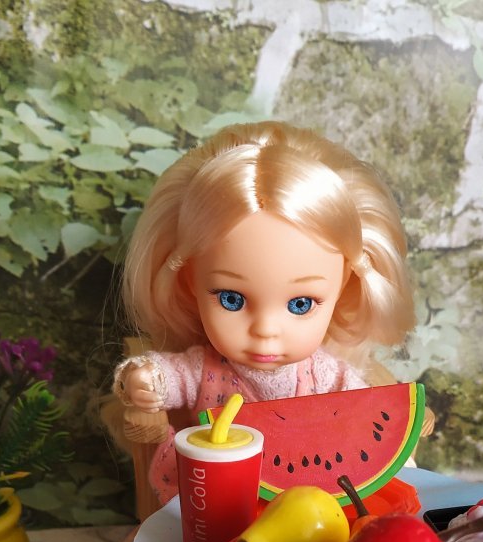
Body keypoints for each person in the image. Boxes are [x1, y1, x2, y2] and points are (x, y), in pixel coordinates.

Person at [112, 120, 415, 504]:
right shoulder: (204, 370)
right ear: (189, 282)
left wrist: (400, 429)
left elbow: (362, 409)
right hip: (217, 500)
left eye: (301, 304)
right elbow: (170, 377)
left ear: (342, 287)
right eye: (231, 299)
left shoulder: (325, 374)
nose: (266, 330)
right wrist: (145, 380)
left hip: (316, 502)